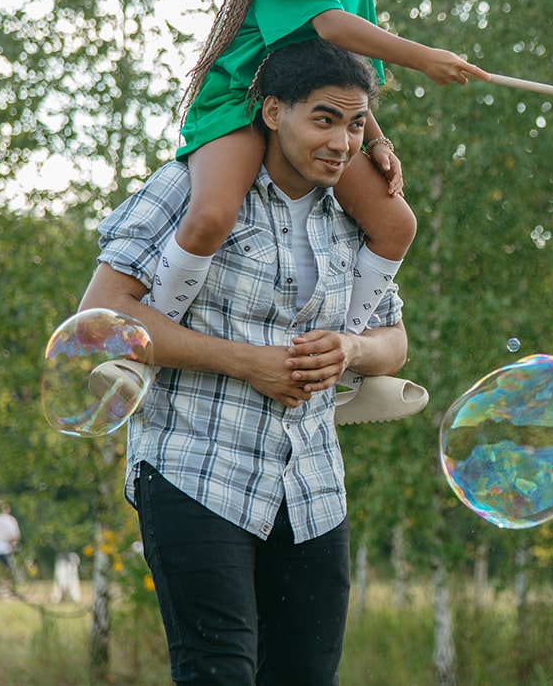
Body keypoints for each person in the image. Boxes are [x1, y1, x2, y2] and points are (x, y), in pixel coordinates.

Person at [80, 38, 409, 685]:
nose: (342, 142)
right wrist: (245, 362)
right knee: (218, 672)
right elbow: (105, 318)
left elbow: (393, 338)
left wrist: (352, 348)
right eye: (324, 119)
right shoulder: (191, 184)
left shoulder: (347, 212)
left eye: (355, 124)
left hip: (313, 488)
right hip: (195, 468)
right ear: (271, 111)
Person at [145, 0, 487, 368]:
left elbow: (357, 79)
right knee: (210, 216)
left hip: (318, 116)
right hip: (247, 100)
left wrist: (377, 141)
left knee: (397, 223)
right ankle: (146, 346)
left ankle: (343, 359)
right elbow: (329, 25)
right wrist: (423, 57)